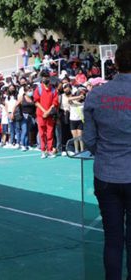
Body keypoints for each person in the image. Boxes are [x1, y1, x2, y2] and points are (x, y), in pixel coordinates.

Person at [83, 40, 131, 280]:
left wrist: (105, 153)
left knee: (112, 240)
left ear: (116, 62)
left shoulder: (97, 95)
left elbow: (89, 139)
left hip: (106, 174)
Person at [33, 71, 59, 159]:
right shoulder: (38, 88)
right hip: (40, 115)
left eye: (46, 77)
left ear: (49, 78)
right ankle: (43, 151)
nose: (45, 78)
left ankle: (50, 150)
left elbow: (54, 103)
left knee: (50, 133)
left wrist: (48, 112)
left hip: (50, 115)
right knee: (41, 134)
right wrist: (44, 111)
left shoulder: (53, 90)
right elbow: (36, 102)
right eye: (43, 77)